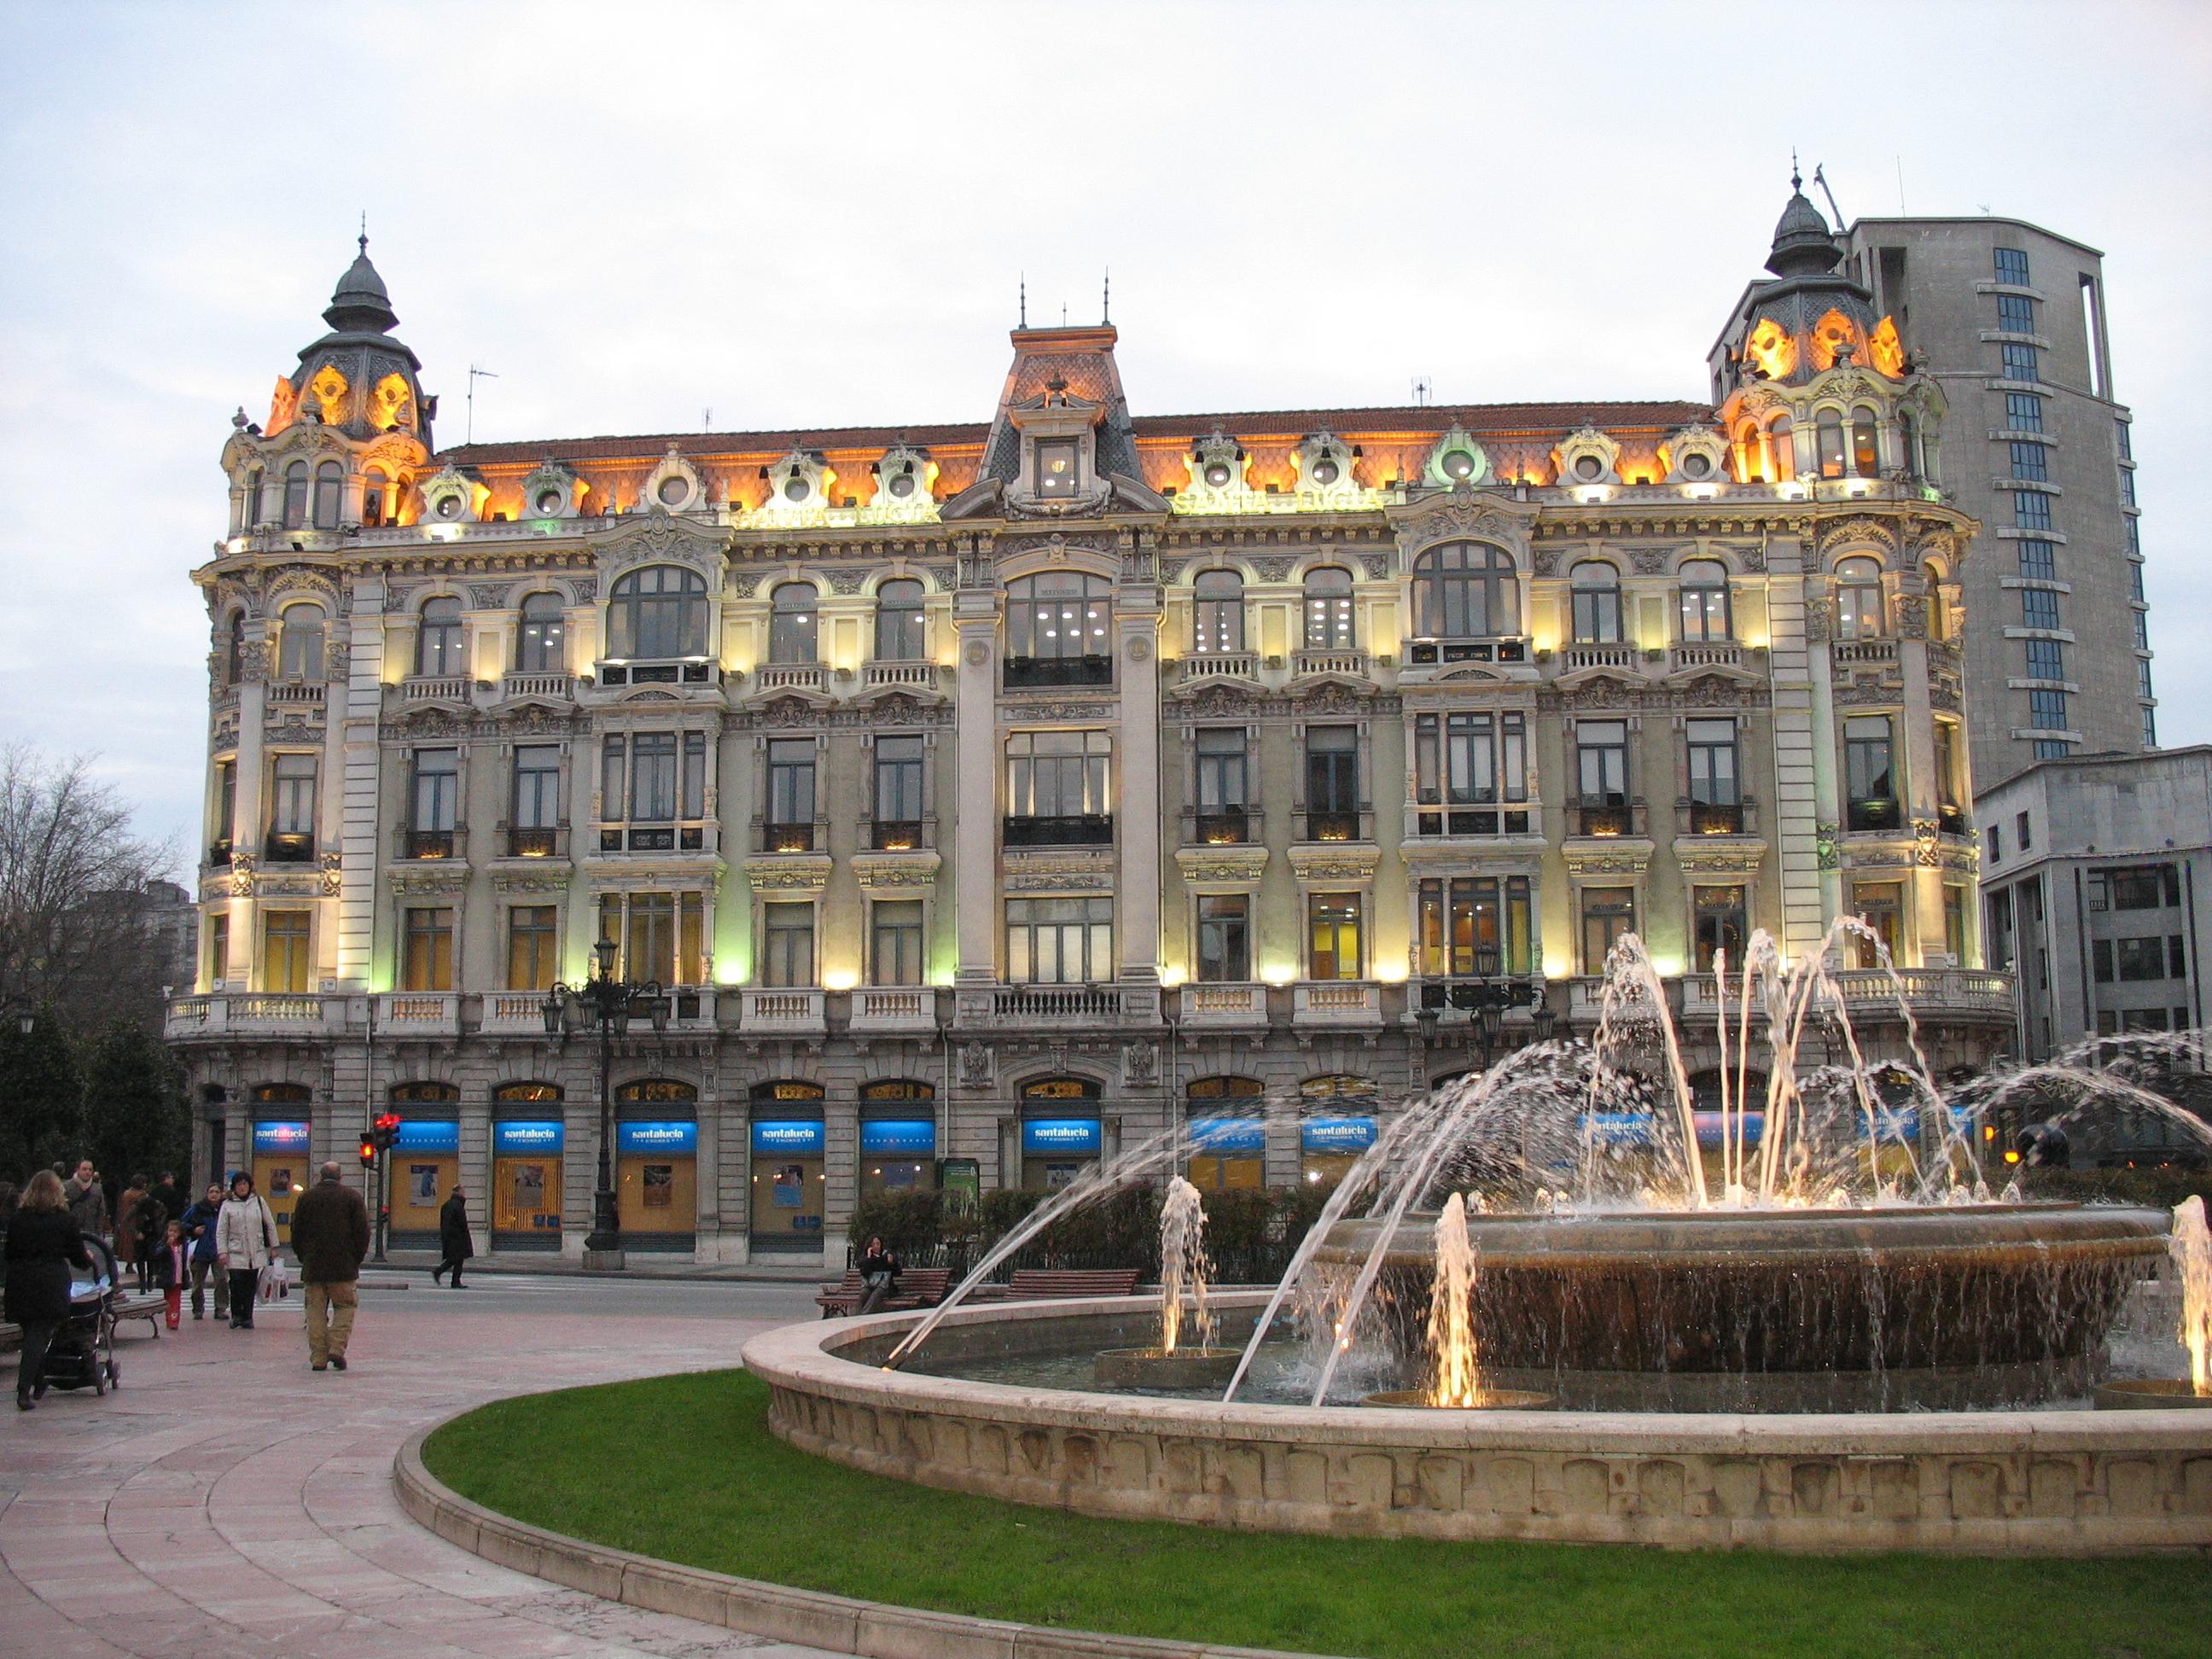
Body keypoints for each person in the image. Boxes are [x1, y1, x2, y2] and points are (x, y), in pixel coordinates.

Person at [5, 1171, 93, 1410]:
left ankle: (39, 1378)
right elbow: (78, 1257)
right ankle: (24, 1390)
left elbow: (9, 1252)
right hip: (49, 1281)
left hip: (20, 1280)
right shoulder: (64, 1220)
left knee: (31, 1333)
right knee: (39, 1334)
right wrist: (88, 1258)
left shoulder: (18, 1218)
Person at [288, 1161, 370, 1372]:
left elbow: (296, 1232)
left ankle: (318, 1358)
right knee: (345, 1307)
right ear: (340, 1176)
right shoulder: (352, 1197)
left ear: (320, 1176)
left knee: (314, 1311)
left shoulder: (306, 1198)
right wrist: (356, 1259)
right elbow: (362, 1232)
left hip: (314, 1265)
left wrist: (303, 1256)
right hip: (343, 1266)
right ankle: (336, 1347)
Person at [214, 1172, 277, 1329]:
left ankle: (248, 1316)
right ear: (234, 1187)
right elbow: (221, 1231)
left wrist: (274, 1246)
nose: (242, 1187)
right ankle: (237, 1315)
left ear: (250, 1186)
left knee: (250, 1286)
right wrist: (222, 1251)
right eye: (239, 1184)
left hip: (254, 1252)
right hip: (235, 1252)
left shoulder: (258, 1202)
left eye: (245, 1184)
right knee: (236, 1285)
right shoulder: (227, 1205)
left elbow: (269, 1224)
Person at [179, 1182, 228, 1322]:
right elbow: (182, 1223)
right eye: (211, 1192)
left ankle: (220, 1308)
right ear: (207, 1194)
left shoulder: (224, 1209)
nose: (214, 1195)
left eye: (216, 1192)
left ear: (221, 1194)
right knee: (198, 1283)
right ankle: (198, 1309)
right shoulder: (198, 1208)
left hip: (219, 1250)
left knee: (221, 1280)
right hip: (200, 1250)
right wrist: (193, 1230)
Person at [151, 1218, 189, 1331]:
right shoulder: (163, 1244)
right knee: (168, 1299)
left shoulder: (183, 1245)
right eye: (170, 1231)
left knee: (175, 1300)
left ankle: (174, 1321)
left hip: (179, 1276)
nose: (172, 1234)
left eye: (175, 1232)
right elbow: (157, 1255)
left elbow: (184, 1260)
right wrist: (167, 1246)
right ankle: (169, 1319)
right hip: (167, 1276)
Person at [130, 1181, 166, 1295]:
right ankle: (143, 1284)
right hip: (141, 1234)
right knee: (141, 1260)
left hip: (152, 1234)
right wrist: (136, 1232)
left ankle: (149, 1281)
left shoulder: (156, 1205)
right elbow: (127, 1220)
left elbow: (164, 1212)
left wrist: (159, 1224)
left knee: (150, 1259)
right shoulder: (138, 1206)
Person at [433, 1186, 473, 1288]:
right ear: (459, 1193)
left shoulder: (446, 1205)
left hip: (450, 1236)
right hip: (458, 1237)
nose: (465, 1194)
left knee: (456, 1259)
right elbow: (462, 1223)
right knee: (456, 1260)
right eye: (463, 1192)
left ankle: (454, 1280)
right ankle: (443, 1274)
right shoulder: (458, 1206)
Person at [62, 1160, 108, 1240]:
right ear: (77, 1170)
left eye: (90, 1169)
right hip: (71, 1232)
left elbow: (101, 1210)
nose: (87, 1172)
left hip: (91, 1233)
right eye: (84, 1169)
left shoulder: (97, 1188)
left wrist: (98, 1231)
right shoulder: (67, 1187)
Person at [855, 1235, 900, 1315]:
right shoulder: (866, 1258)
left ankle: (863, 1316)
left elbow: (898, 1273)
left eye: (878, 1244)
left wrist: (892, 1263)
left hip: (885, 1287)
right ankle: (858, 1315)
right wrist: (868, 1258)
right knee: (863, 1293)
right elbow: (864, 1273)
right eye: (873, 1244)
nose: (876, 1246)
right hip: (870, 1285)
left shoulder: (886, 1255)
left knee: (876, 1294)